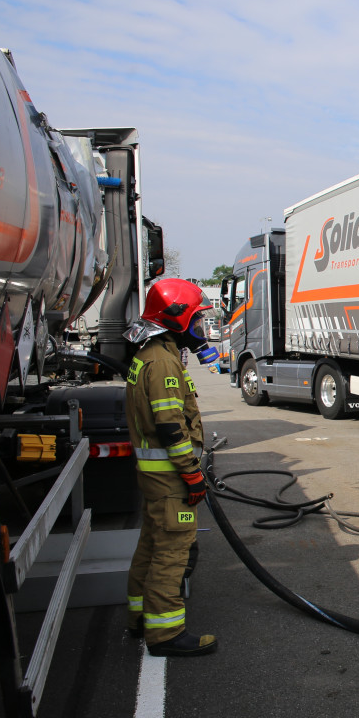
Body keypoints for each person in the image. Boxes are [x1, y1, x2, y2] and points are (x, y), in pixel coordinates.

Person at [124, 278, 220, 657]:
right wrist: (192, 473)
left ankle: (139, 618)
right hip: (170, 478)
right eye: (195, 321)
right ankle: (165, 634)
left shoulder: (149, 354)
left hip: (155, 477)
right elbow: (169, 427)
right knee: (171, 551)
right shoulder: (163, 361)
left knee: (150, 545)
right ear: (176, 319)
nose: (200, 330)